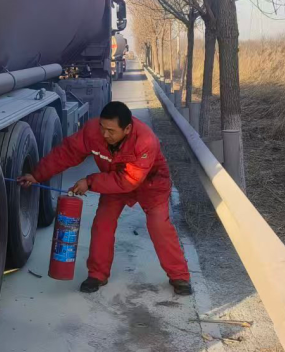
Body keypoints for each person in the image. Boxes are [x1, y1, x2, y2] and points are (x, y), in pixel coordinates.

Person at [18, 101, 192, 296]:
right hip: (113, 180)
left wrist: (90, 182)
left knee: (159, 226)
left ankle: (180, 276)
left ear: (127, 129)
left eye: (111, 131)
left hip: (151, 183)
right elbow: (66, 153)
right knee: (102, 223)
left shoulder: (145, 141)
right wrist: (37, 175)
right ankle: (97, 275)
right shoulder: (93, 131)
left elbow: (128, 181)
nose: (104, 134)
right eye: (102, 127)